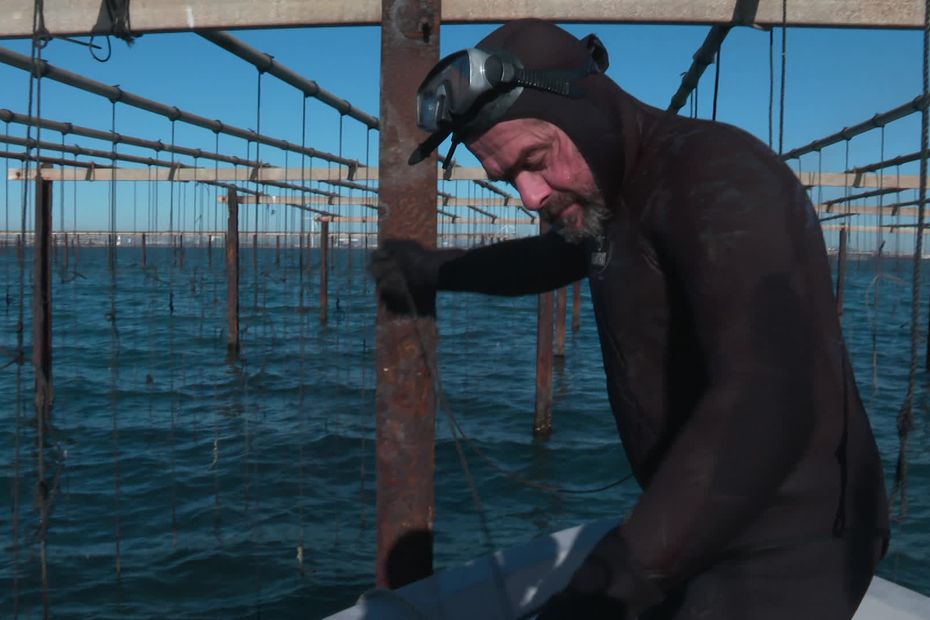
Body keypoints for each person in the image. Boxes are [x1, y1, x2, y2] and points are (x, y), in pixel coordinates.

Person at [371, 20, 889, 619]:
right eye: (510, 177)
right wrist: (435, 270)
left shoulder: (718, 175)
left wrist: (618, 577)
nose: (530, 196)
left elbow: (766, 399)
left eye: (534, 159)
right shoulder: (609, 195)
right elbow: (542, 261)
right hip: (702, 517)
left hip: (791, 536)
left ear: (586, 109)